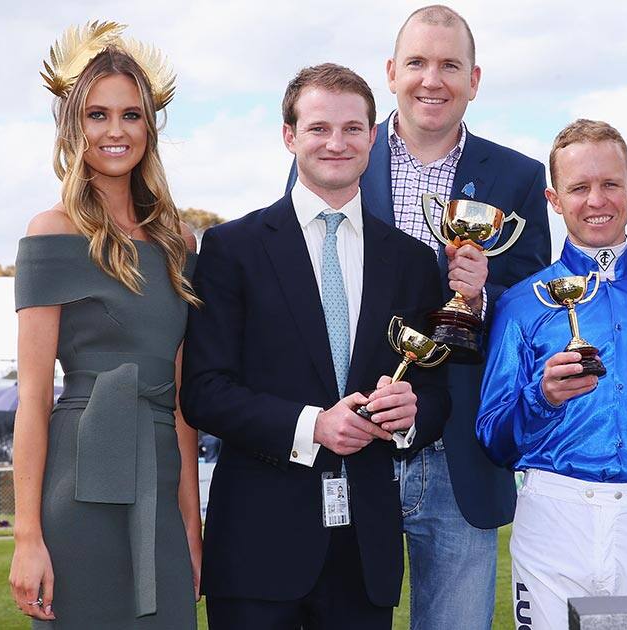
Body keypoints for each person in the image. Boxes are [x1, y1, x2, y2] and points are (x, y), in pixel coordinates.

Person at [287, 7, 551, 627]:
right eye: (417, 63)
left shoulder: (516, 177)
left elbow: (535, 303)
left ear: (475, 79)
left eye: (449, 65)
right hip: (354, 441)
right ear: (391, 72)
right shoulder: (337, 153)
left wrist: (485, 294)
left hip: (459, 445)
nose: (432, 80)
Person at [180, 63, 450, 630]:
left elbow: (434, 389)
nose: (337, 142)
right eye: (319, 127)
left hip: (365, 554)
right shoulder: (232, 249)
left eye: (354, 128)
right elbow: (203, 392)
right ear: (289, 136)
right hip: (257, 548)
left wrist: (411, 416)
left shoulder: (410, 260)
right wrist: (313, 425)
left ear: (374, 138)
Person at [476, 119, 627, 629]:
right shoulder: (521, 303)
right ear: (554, 198)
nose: (596, 200)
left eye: (609, 184)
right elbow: (492, 438)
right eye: (579, 187)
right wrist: (541, 396)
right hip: (552, 510)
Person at [9, 22, 201, 627]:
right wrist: (27, 537)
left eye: (130, 114)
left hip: (162, 491)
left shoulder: (178, 244)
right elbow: (34, 397)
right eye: (97, 115)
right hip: (75, 489)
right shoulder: (51, 233)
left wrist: (192, 528)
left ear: (151, 125)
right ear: (74, 125)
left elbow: (182, 407)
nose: (115, 131)